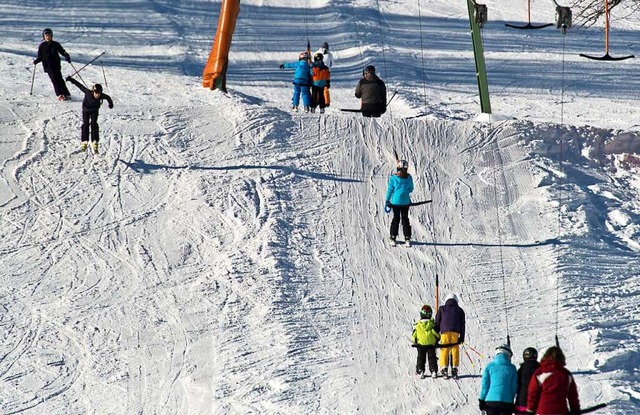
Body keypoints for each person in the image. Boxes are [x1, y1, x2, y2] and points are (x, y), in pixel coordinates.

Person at [526, 346, 580, 415]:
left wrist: (530, 410)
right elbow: (573, 396)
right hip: (560, 411)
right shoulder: (566, 374)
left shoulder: (540, 373)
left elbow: (532, 393)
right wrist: (575, 410)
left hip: (543, 411)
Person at [65, 77, 114, 153]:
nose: (97, 95)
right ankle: (84, 140)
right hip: (86, 111)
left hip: (94, 111)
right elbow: (79, 85)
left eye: (99, 93)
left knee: (94, 124)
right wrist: (71, 79)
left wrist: (111, 104)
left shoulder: (101, 95)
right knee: (86, 124)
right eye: (96, 93)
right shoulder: (88, 92)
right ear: (93, 91)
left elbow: (108, 98)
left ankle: (95, 140)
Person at [479, 344, 518, 415]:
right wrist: (511, 399)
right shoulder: (512, 368)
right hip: (506, 403)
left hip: (491, 402)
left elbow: (485, 385)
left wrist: (482, 399)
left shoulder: (490, 366)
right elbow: (514, 387)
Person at [33, 28, 72, 101]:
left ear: (51, 36)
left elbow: (62, 51)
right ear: (44, 37)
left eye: (49, 35)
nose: (48, 37)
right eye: (46, 35)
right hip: (48, 66)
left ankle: (66, 93)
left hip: (56, 65)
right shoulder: (42, 46)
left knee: (60, 79)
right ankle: (59, 94)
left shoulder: (55, 44)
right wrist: (36, 61)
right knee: (54, 79)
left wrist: (66, 55)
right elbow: (40, 57)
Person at [434, 293, 465, 379]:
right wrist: (462, 337)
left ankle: (444, 369)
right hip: (455, 331)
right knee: (454, 348)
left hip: (444, 332)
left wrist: (436, 334)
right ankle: (454, 369)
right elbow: (462, 325)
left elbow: (437, 322)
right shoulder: (460, 310)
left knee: (444, 349)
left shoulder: (441, 309)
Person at [385, 160, 414, 246]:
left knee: (396, 219)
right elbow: (411, 189)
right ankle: (407, 238)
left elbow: (390, 190)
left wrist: (387, 200)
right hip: (405, 202)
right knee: (405, 219)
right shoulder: (409, 178)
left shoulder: (393, 178)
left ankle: (393, 237)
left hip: (395, 202)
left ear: (398, 168)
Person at [411, 304, 440, 379]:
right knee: (432, 357)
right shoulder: (432, 324)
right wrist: (437, 339)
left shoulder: (418, 325)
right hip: (431, 344)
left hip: (421, 345)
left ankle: (420, 371)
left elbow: (414, 335)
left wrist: (415, 341)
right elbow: (435, 333)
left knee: (421, 358)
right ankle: (433, 371)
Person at [515, 347, 540, 413]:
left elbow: (515, 386)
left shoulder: (521, 370)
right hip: (536, 404)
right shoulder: (540, 369)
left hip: (521, 402)